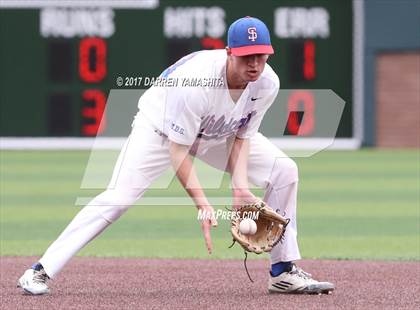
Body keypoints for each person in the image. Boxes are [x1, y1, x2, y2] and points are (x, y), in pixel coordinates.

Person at [18, 17, 334, 295]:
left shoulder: (266, 83)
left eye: (261, 56)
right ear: (229, 53)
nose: (254, 63)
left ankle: (283, 272)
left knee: (285, 170)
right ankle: (39, 270)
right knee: (119, 198)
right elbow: (178, 151)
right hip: (159, 131)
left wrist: (239, 188)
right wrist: (203, 204)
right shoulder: (197, 84)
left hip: (214, 132)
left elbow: (241, 137)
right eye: (246, 56)